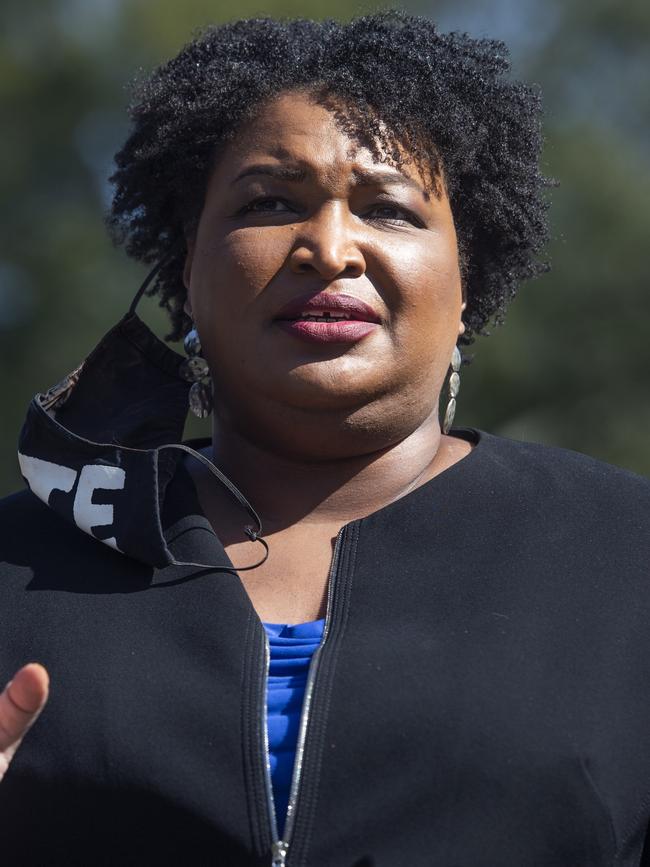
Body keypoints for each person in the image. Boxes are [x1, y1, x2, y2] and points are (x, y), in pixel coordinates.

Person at [1, 10, 649, 866]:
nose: (329, 247)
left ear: (467, 284)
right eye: (270, 202)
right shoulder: (18, 563)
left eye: (389, 209)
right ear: (187, 270)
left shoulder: (625, 556)